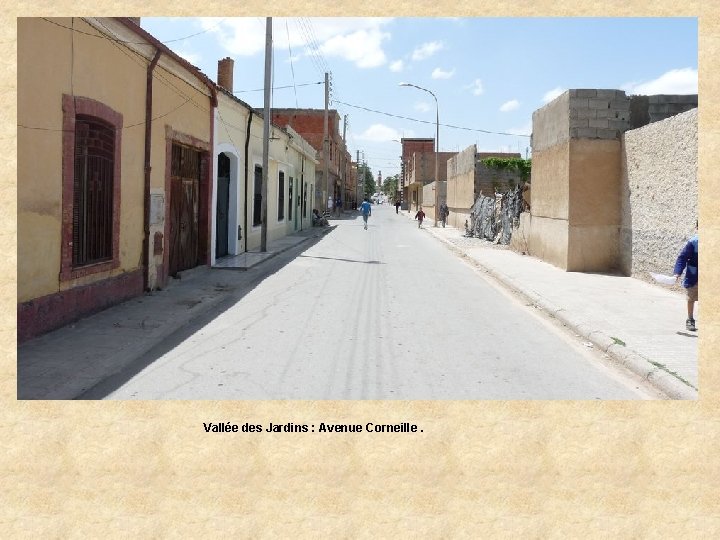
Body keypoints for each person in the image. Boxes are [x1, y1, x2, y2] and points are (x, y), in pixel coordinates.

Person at [673, 221, 699, 331]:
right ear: (697, 228)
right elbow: (682, 258)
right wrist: (677, 272)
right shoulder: (693, 242)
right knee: (691, 298)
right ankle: (690, 319)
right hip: (694, 275)